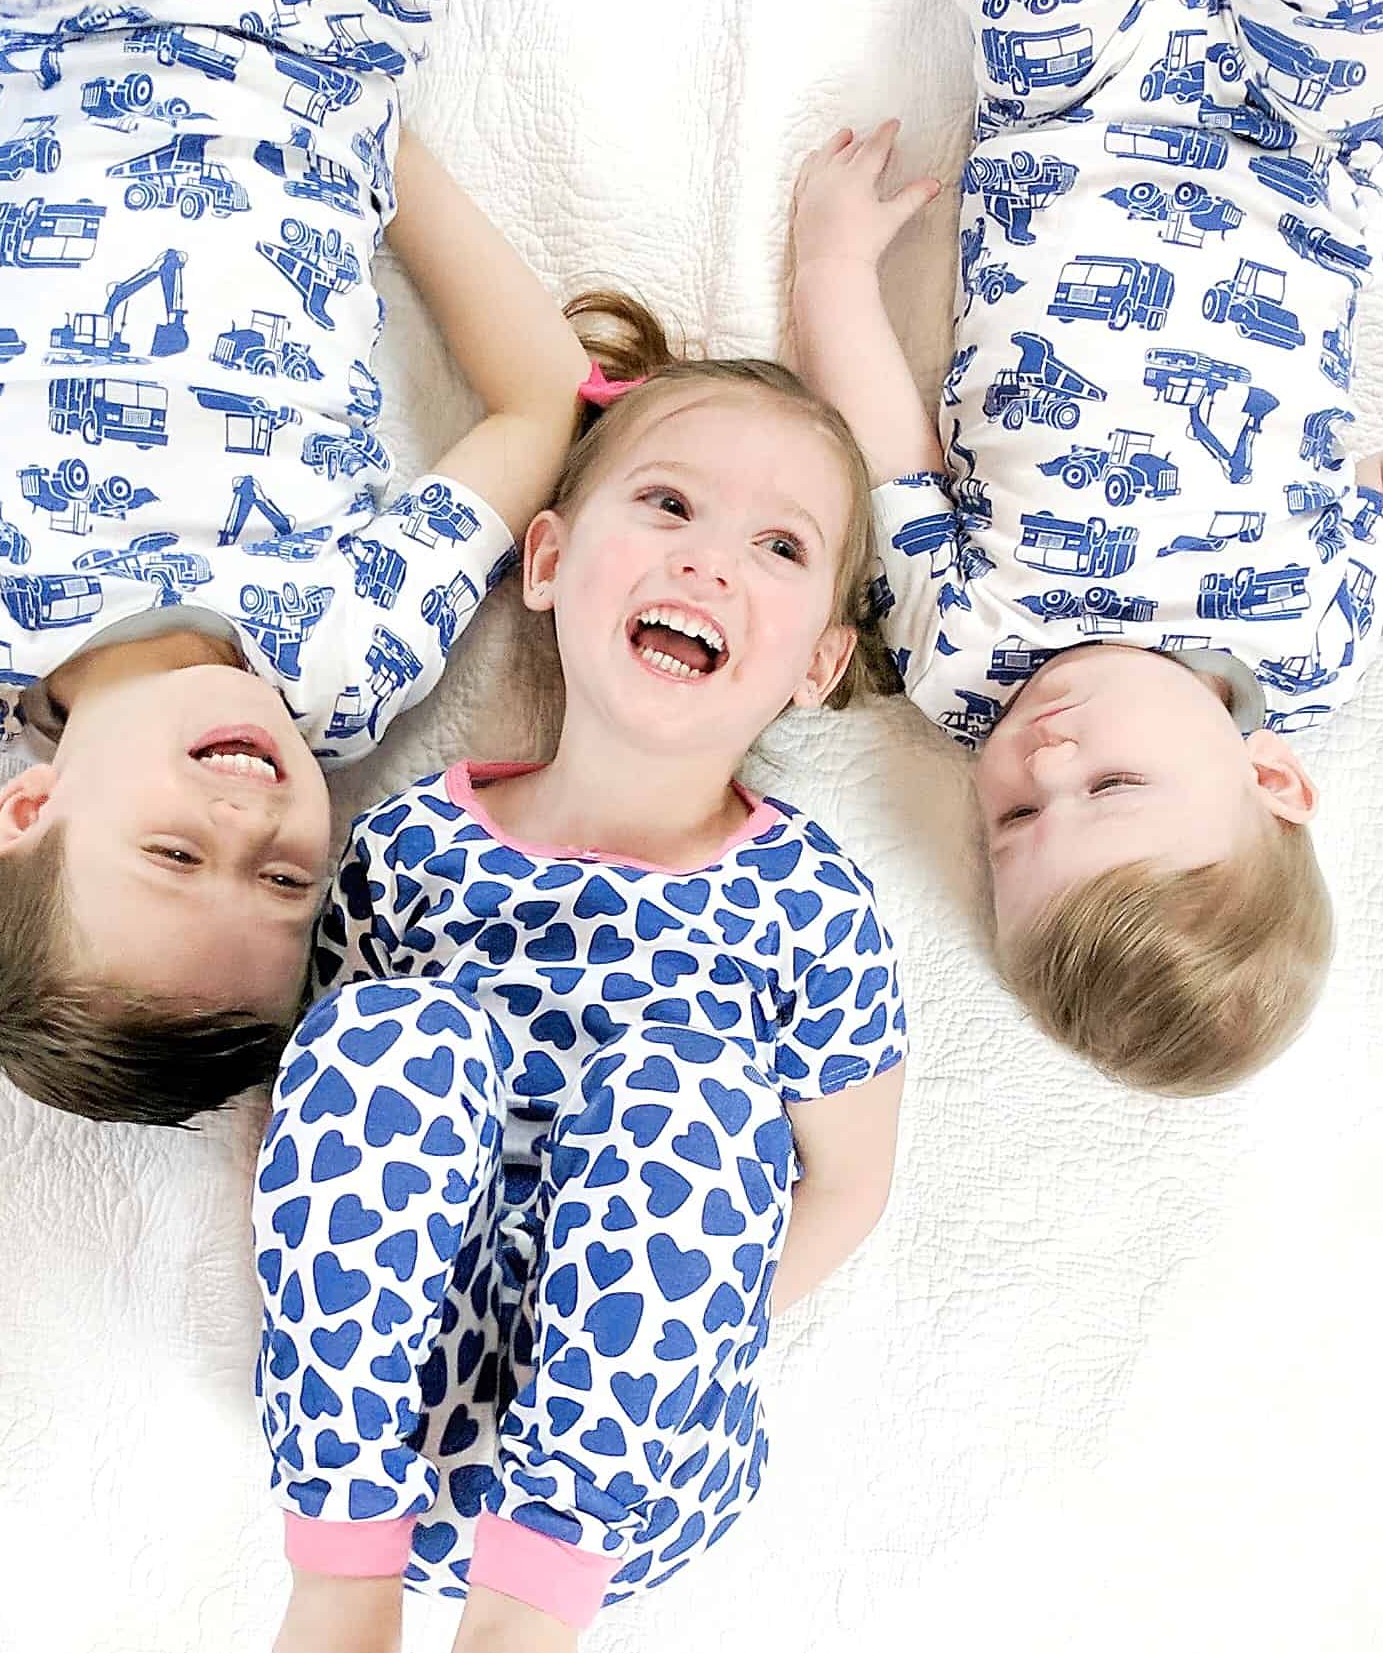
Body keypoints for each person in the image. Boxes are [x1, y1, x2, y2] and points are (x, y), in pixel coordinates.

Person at [0, 0, 588, 1124]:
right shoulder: (347, 664)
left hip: (63, 24)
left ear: (27, 814)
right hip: (320, 35)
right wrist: (379, 143)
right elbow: (546, 403)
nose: (246, 823)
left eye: (175, 856)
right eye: (285, 877)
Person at [252, 293, 909, 1651]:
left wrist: (670, 1336)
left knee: (688, 1096)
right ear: (546, 560)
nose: (710, 564)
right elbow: (312, 1124)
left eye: (778, 547)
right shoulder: (413, 841)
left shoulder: (811, 905)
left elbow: (845, 1182)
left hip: (626, 1475)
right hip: (382, 1425)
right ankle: (337, 1590)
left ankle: (524, 1625)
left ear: (818, 664)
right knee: (389, 1038)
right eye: (667, 506)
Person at [790, 0, 1383, 1094]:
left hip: (1061, 106)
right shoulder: (1305, 651)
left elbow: (887, 452)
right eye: (1111, 789)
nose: (1045, 757)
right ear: (1274, 780)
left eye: (1012, 817)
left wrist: (831, 271)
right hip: (1302, 148)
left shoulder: (961, 664)